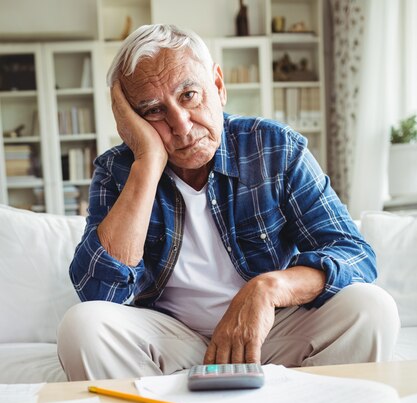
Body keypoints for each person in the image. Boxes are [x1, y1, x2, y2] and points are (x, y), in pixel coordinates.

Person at [57, 24, 399, 382]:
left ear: (218, 86)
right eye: (154, 111)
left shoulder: (275, 147)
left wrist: (268, 289)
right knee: (82, 326)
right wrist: (147, 162)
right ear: (133, 122)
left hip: (269, 333)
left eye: (188, 94)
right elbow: (98, 292)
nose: (181, 125)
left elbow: (353, 252)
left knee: (371, 308)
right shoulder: (117, 169)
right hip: (172, 340)